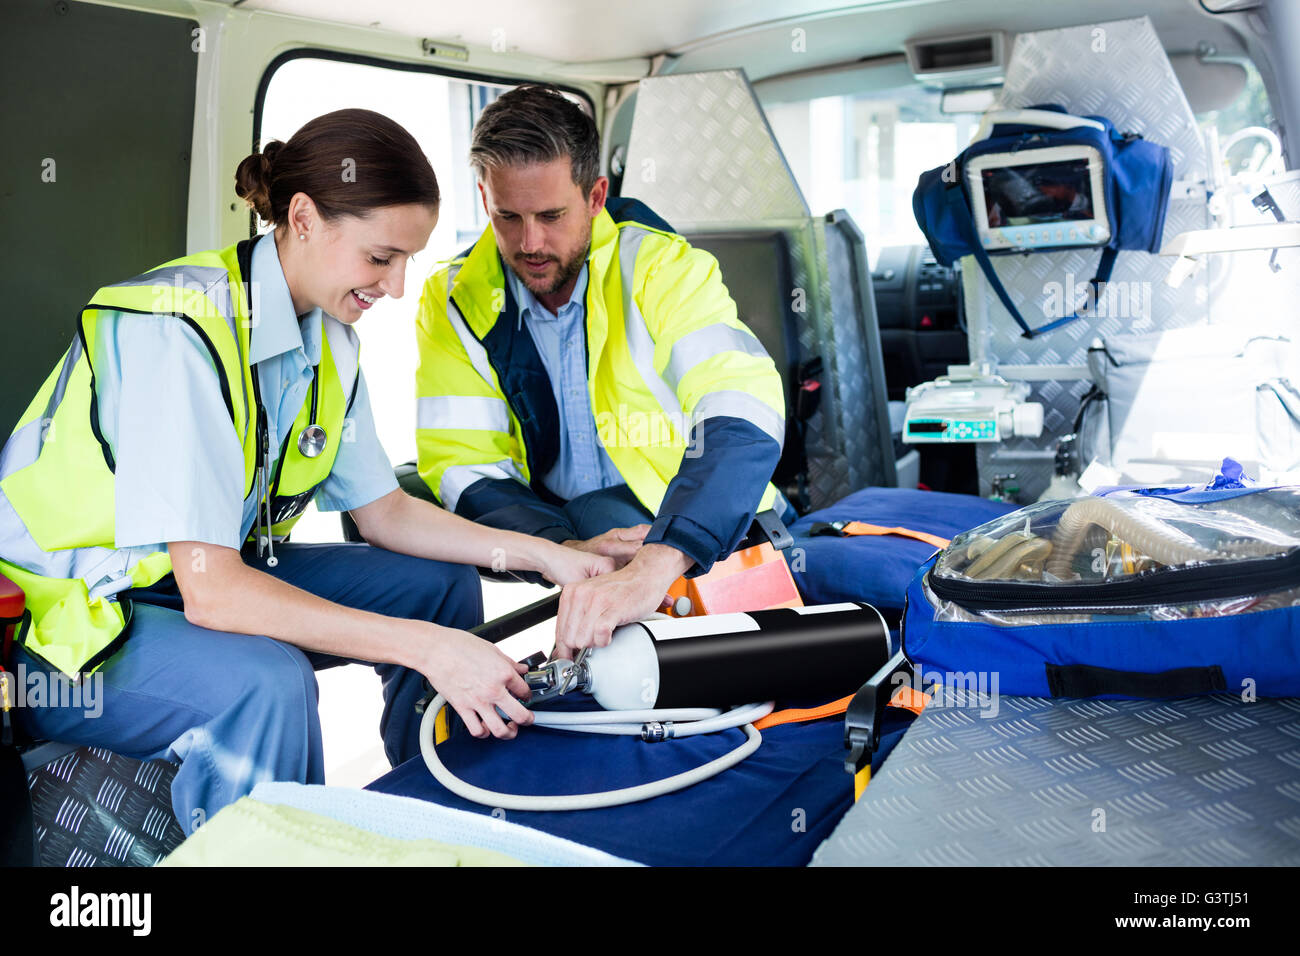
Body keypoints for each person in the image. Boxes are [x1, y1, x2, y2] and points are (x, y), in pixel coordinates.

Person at [0, 108, 610, 832]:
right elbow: (215, 595)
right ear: (303, 217)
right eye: (382, 258)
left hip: (185, 580)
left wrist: (555, 558)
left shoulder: (329, 343)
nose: (398, 287)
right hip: (67, 621)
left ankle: (435, 812)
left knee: (438, 589)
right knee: (267, 684)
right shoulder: (177, 329)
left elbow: (386, 512)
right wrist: (431, 652)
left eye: (408, 260)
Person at [414, 86, 787, 660]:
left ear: (595, 196)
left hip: (689, 515)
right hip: (563, 526)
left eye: (551, 215)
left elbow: (741, 403)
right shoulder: (453, 298)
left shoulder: (661, 265)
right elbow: (461, 462)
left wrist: (663, 557)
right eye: (506, 216)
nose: (530, 242)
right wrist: (562, 547)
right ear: (484, 197)